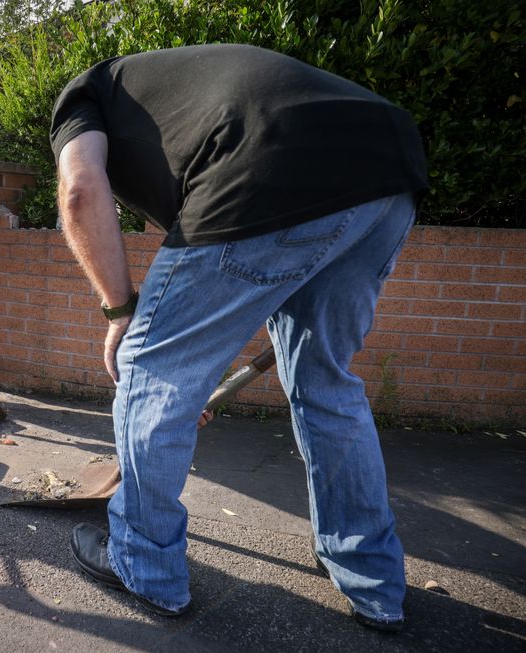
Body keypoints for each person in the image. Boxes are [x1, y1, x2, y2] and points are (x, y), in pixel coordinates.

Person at [51, 44, 428, 630]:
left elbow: (79, 190)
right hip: (387, 171)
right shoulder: (178, 99)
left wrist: (122, 313)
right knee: (326, 382)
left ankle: (145, 565)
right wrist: (192, 377)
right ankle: (374, 584)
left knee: (150, 367)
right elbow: (223, 268)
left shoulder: (83, 95)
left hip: (268, 162)